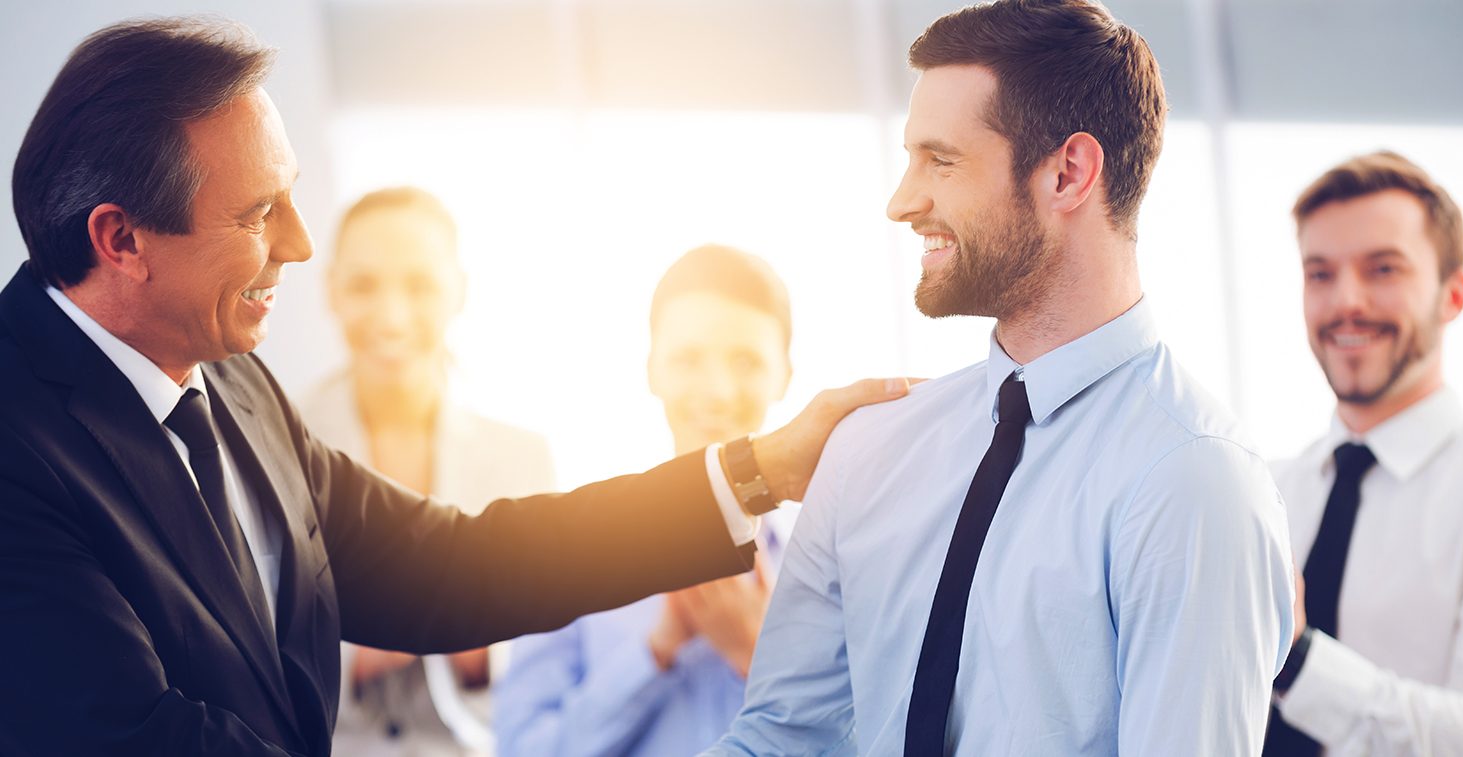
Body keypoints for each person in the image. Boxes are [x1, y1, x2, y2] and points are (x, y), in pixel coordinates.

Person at [0, 18, 910, 757]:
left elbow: (458, 561)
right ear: (121, 241)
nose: (300, 243)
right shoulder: (17, 446)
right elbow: (134, 735)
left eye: (292, 195)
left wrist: (760, 469)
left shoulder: (232, 382)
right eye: (256, 213)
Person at [707, 1, 1296, 754]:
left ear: (1067, 172)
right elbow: (781, 739)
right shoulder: (868, 449)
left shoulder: (1194, 481)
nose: (900, 200)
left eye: (939, 160)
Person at [498, 244, 795, 756]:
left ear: (783, 376)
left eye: (745, 361)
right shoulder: (567, 560)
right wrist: (655, 652)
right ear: (652, 369)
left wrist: (759, 655)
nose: (718, 390)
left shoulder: (833, 568)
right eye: (688, 359)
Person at [299, 187, 558, 756]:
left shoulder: (523, 457)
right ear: (332, 290)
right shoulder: (274, 442)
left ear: (459, 291)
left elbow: (552, 651)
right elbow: (246, 630)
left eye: (420, 286)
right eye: (365, 285)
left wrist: (481, 648)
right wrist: (371, 647)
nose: (392, 316)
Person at [1262, 152, 1463, 756]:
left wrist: (1299, 660)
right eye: (1321, 273)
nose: (1345, 303)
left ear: (1453, 295)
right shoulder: (1265, 491)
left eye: (1383, 269)